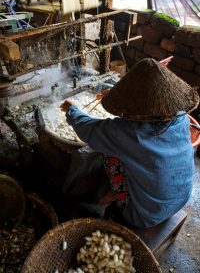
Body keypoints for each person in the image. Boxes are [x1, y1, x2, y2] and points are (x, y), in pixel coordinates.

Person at [60, 58, 199, 229]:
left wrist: (71, 109)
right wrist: (113, 97)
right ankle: (127, 190)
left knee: (108, 152)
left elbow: (88, 129)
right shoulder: (180, 117)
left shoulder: (127, 134)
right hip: (180, 199)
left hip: (144, 216)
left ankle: (118, 196)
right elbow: (146, 105)